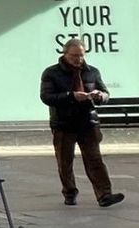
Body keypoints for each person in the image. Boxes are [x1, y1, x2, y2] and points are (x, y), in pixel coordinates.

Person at [40, 37, 126, 208]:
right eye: (74, 56)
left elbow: (105, 93)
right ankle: (69, 192)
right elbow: (46, 97)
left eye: (81, 55)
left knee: (95, 159)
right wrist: (71, 96)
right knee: (65, 161)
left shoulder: (92, 71)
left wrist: (100, 96)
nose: (78, 59)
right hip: (64, 124)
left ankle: (104, 194)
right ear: (65, 54)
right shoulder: (51, 73)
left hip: (88, 122)